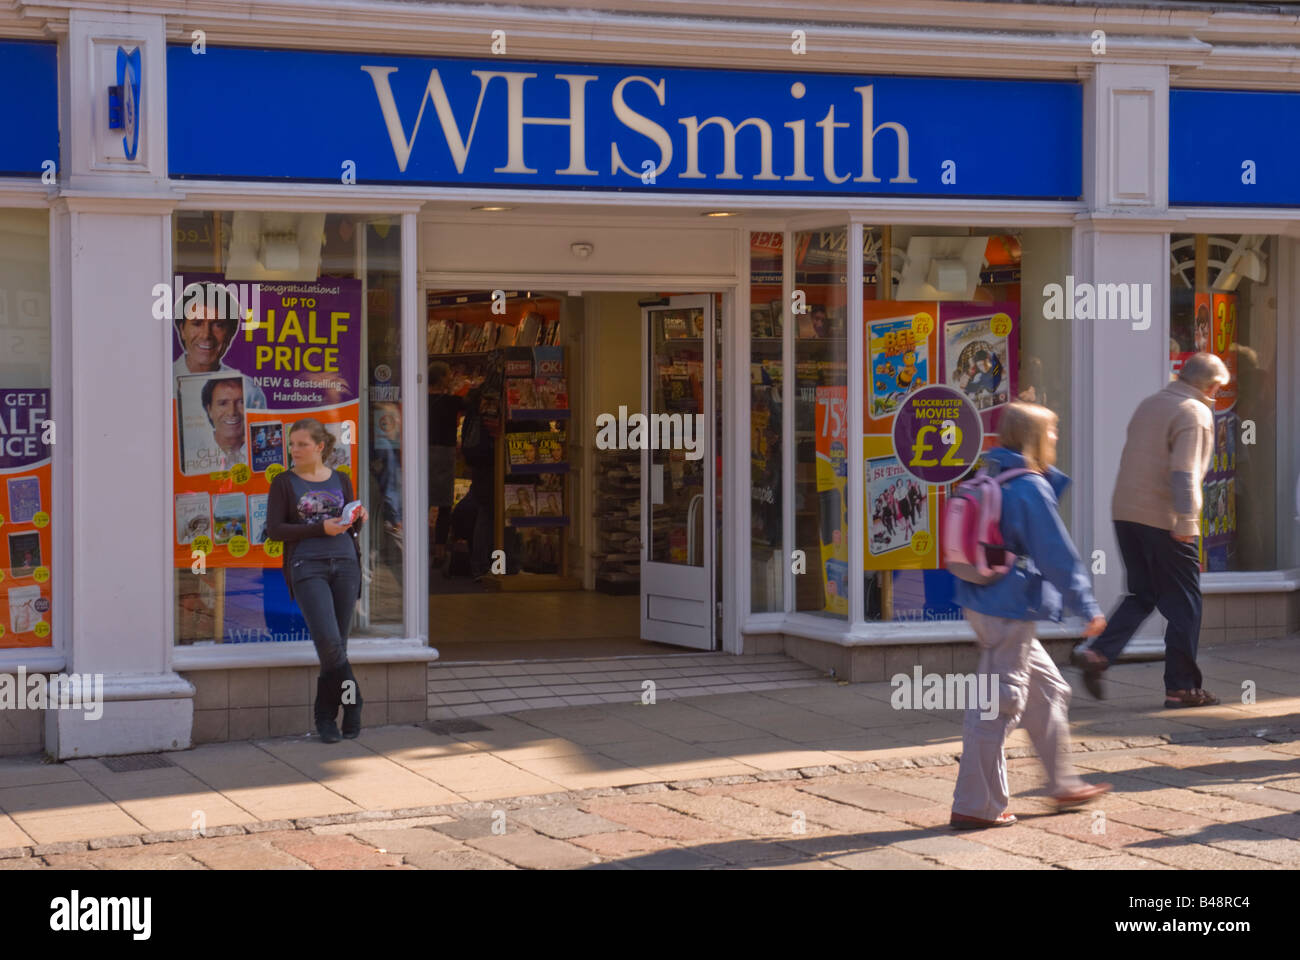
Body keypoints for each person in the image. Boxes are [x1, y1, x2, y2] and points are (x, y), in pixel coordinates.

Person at [950, 402, 1112, 829]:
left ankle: (1064, 784)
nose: (1057, 437)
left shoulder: (990, 474)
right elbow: (1057, 555)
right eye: (1053, 430)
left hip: (984, 601)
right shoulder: (1028, 486)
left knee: (1048, 690)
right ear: (1035, 437)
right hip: (1007, 608)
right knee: (997, 704)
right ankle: (976, 804)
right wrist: (1087, 607)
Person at [1073, 352, 1230, 708]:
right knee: (1186, 605)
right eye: (1217, 387)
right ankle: (1182, 687)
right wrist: (1187, 522)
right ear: (1209, 384)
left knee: (1143, 593)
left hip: (1126, 512)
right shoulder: (1195, 411)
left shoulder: (1151, 403)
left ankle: (1098, 654)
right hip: (1165, 517)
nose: (1217, 395)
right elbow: (1184, 473)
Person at [266, 418, 368, 743]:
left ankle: (325, 718)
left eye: (302, 444)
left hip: (346, 564)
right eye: (292, 445)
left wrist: (358, 520)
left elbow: (350, 529)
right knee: (328, 641)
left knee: (336, 648)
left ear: (320, 447)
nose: (294, 450)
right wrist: (318, 529)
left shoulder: (342, 479)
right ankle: (354, 701)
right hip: (307, 565)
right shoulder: (284, 482)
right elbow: (275, 530)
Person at [172, 282, 268, 409]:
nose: (206, 335)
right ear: (182, 330)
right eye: (197, 323)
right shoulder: (161, 381)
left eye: (218, 325)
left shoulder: (249, 392)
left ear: (230, 334)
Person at [427, 362, 466, 565]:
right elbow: (469, 404)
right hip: (445, 454)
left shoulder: (420, 400)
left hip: (423, 454)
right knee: (444, 504)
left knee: (422, 502)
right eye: (449, 375)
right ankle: (440, 551)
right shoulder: (452, 401)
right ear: (443, 378)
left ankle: (419, 545)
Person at [201, 377, 248, 469]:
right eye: (223, 403)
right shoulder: (192, 453)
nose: (232, 412)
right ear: (209, 410)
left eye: (241, 402)